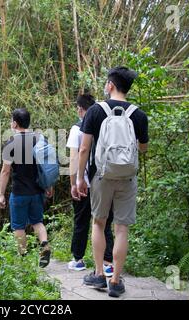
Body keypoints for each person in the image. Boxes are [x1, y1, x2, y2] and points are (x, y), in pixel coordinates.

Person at [76, 67, 149, 297]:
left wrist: (80, 178)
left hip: (101, 175)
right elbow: (143, 147)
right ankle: (115, 281)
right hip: (127, 177)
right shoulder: (139, 115)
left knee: (98, 223)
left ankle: (99, 274)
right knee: (121, 228)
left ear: (110, 85)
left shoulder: (96, 111)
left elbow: (85, 148)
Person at [0, 108, 53, 268]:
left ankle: (23, 260)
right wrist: (49, 185)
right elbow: (47, 166)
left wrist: (1, 195)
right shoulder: (40, 140)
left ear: (14, 123)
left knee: (19, 226)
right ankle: (44, 244)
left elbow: (5, 171)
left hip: (19, 192)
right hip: (37, 191)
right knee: (38, 222)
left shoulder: (10, 144)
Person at [67, 93, 115, 275]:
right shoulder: (105, 126)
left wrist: (74, 182)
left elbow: (74, 156)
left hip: (84, 183)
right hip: (105, 182)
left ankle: (78, 260)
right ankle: (107, 262)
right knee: (104, 222)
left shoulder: (76, 129)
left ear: (80, 109)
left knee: (81, 222)